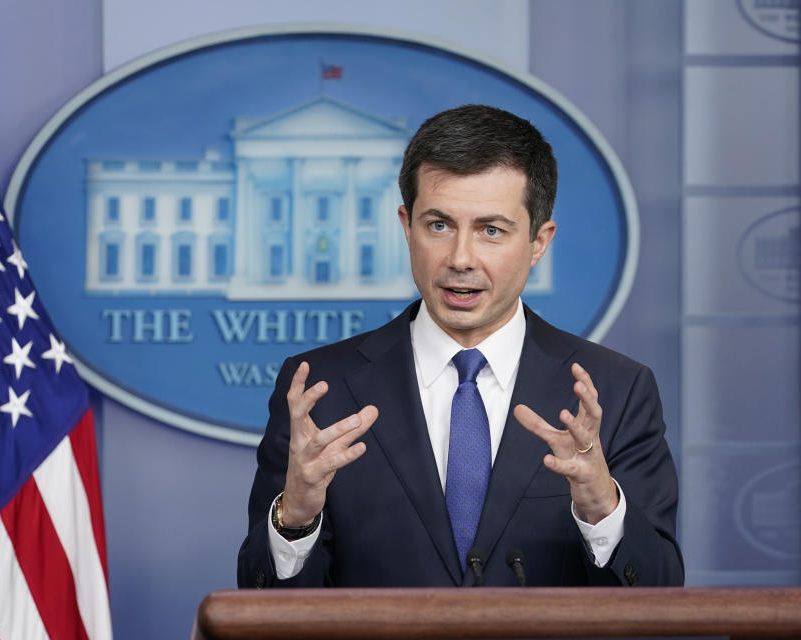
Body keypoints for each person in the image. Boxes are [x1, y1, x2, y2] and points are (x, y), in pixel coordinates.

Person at [237, 104, 684, 588]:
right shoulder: (320, 391)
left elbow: (661, 595)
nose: (460, 258)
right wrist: (296, 516)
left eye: (491, 230)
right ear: (406, 226)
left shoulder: (617, 390)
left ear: (539, 241)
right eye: (439, 226)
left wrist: (602, 506)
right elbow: (260, 599)